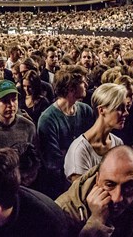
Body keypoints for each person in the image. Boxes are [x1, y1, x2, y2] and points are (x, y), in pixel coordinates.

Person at [56, 145, 133, 237]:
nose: (117, 198)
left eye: (128, 187)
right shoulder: (64, 212)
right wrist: (97, 221)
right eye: (110, 185)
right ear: (97, 179)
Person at [37, 65, 94, 197]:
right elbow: (53, 161)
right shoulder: (47, 119)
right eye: (82, 81)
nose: (86, 84)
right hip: (61, 186)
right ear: (70, 88)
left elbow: (92, 147)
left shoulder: (86, 110)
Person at [64, 83, 127, 182]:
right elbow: (82, 194)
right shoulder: (80, 150)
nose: (126, 113)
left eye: (126, 108)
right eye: (119, 108)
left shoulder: (118, 143)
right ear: (101, 110)